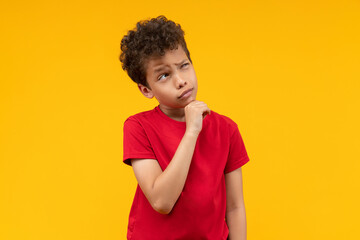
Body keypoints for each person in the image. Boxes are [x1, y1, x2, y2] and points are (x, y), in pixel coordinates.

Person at [119, 15, 250, 240]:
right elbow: (162, 202)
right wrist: (191, 132)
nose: (181, 80)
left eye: (184, 66)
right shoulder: (138, 127)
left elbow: (235, 207)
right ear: (146, 90)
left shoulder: (226, 129)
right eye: (164, 75)